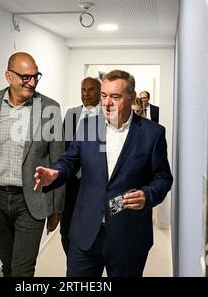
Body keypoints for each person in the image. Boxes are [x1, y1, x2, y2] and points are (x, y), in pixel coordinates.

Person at [34, 70, 173, 277]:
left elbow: (162, 177)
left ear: (132, 97)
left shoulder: (152, 133)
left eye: (115, 97)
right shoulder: (88, 126)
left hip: (128, 235)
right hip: (86, 231)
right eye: (104, 96)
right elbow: (70, 161)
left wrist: (147, 195)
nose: (107, 103)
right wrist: (55, 173)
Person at [0, 52, 65, 277]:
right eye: (25, 77)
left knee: (23, 270)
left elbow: (58, 160)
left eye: (35, 76)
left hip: (32, 201)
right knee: (7, 265)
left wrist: (57, 208)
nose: (32, 82)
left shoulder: (50, 109)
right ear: (9, 76)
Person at [61, 77, 101, 256]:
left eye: (91, 89)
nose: (86, 93)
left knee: (93, 231)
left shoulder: (108, 115)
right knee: (67, 231)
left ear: (100, 92)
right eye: (83, 89)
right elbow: (63, 146)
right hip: (71, 183)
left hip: (95, 183)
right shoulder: (71, 114)